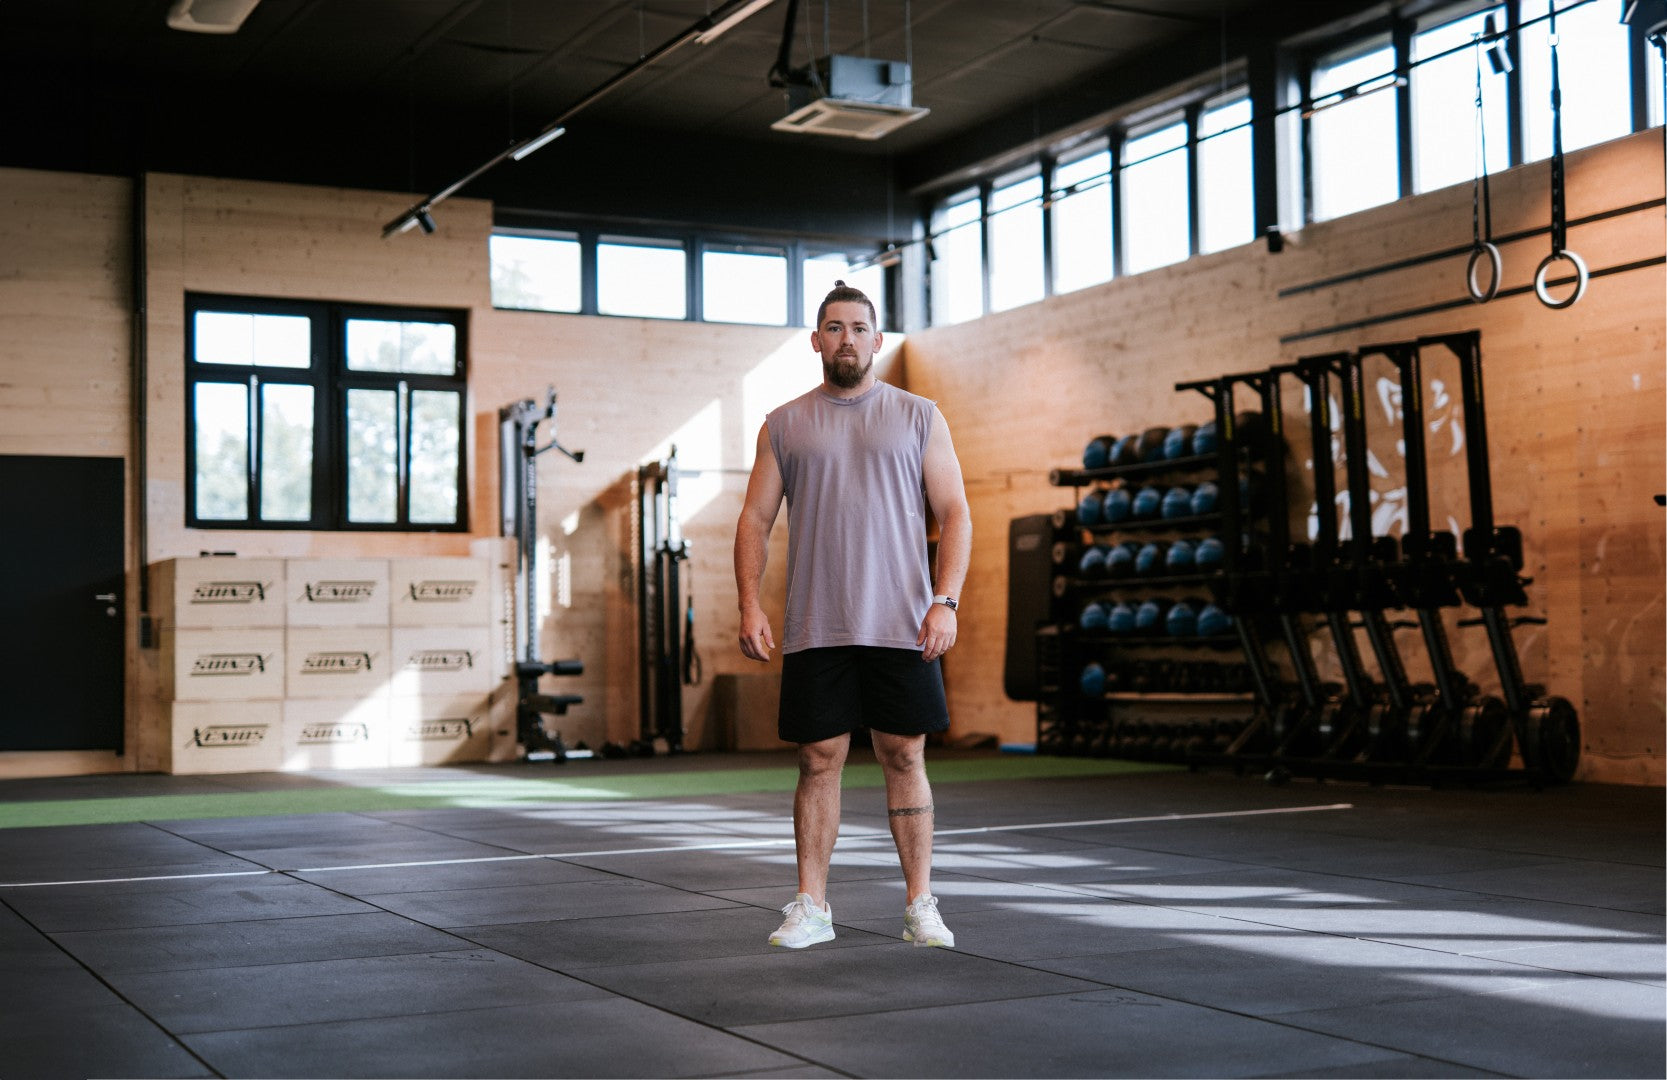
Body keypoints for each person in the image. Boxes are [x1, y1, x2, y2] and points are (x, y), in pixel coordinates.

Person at [733, 280, 971, 950]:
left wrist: (944, 600)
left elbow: (955, 514)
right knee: (818, 758)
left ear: (877, 338)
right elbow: (754, 519)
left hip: (902, 621)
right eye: (833, 328)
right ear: (815, 340)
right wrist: (749, 601)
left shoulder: (919, 414)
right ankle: (810, 905)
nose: (846, 339)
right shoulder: (784, 423)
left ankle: (920, 904)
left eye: (859, 327)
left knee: (904, 752)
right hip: (817, 620)